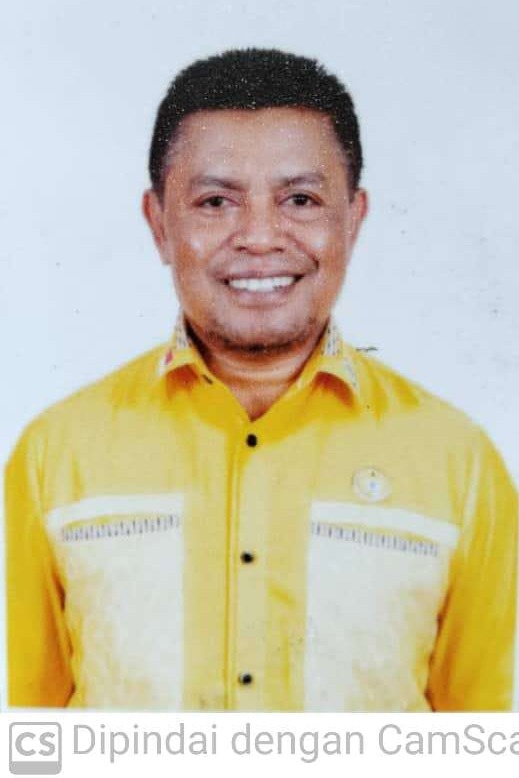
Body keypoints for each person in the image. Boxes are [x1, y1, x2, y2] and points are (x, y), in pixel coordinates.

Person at [5, 48, 517, 712]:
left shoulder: (459, 465)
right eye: (215, 201)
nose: (259, 237)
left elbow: (485, 740)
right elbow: (23, 735)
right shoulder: (54, 457)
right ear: (159, 224)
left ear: (353, 219)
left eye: (299, 199)